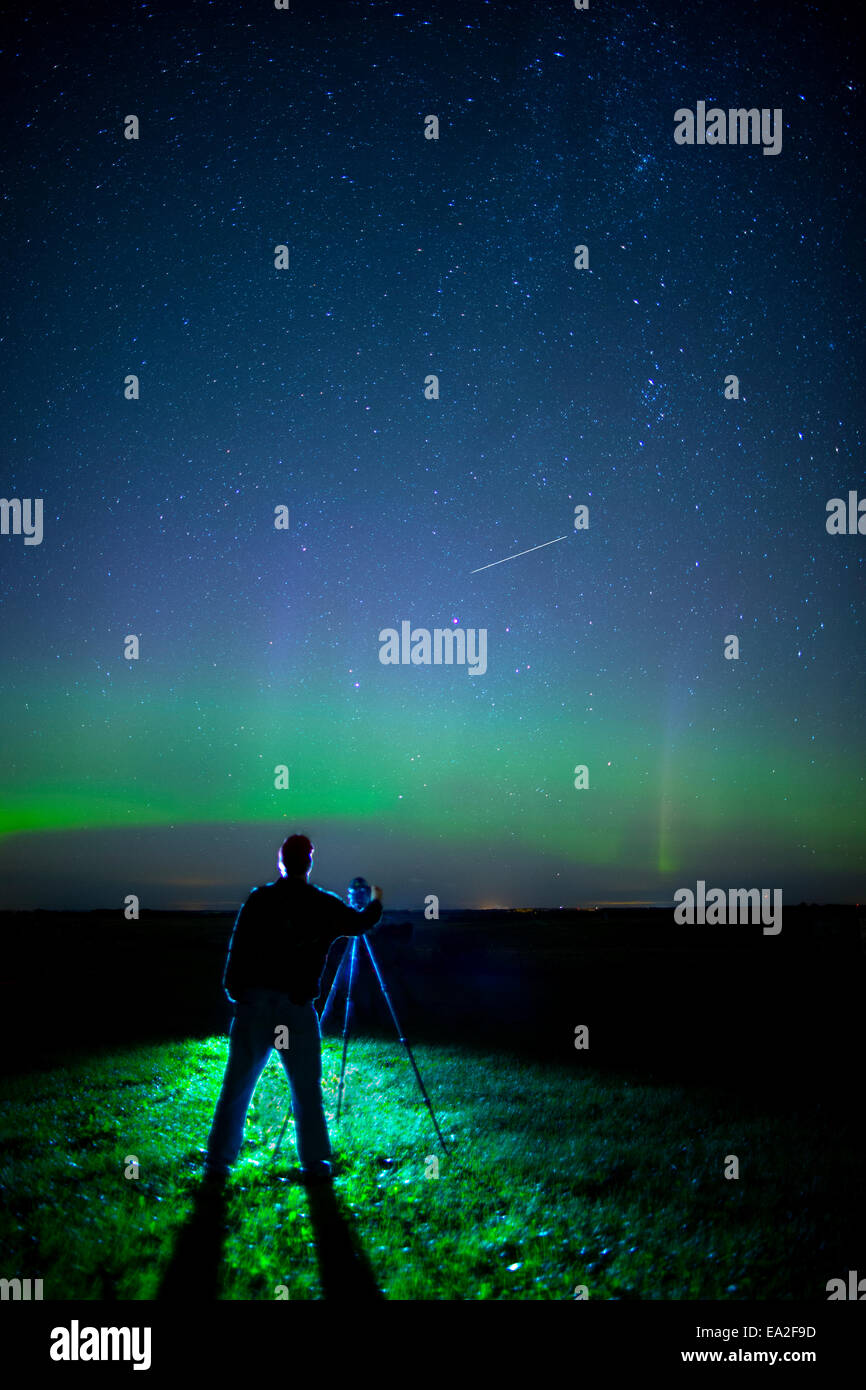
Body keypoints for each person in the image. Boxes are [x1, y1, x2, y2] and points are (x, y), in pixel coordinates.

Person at [204, 834, 383, 1187]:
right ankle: (315, 1164)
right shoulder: (321, 904)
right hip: (295, 1009)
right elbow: (360, 924)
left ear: (281, 861)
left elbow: (236, 951)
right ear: (309, 862)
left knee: (236, 1086)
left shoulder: (259, 900)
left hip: (254, 1006)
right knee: (306, 1090)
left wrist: (238, 994)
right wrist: (375, 901)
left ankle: (218, 1164)